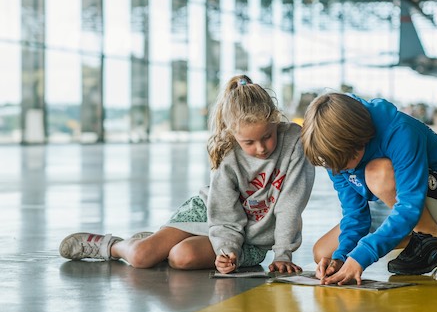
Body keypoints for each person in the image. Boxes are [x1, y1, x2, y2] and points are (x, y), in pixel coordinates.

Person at [59, 75, 315, 274]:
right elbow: (225, 214)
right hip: (211, 213)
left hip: (253, 238)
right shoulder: (227, 155)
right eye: (249, 142)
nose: (260, 148)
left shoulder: (294, 142)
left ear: (275, 119)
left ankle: (161, 246)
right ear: (232, 135)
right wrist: (226, 246)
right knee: (141, 257)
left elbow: (289, 206)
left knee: (182, 258)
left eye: (267, 137)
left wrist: (282, 255)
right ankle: (110, 245)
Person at [300, 92, 437, 286]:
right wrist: (341, 258)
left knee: (377, 172)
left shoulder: (399, 130)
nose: (338, 170)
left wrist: (361, 258)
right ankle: (422, 238)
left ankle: (433, 237)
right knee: (323, 252)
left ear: (358, 139)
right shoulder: (335, 155)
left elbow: (409, 205)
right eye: (330, 165)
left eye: (342, 163)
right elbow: (355, 215)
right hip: (390, 200)